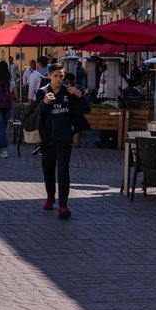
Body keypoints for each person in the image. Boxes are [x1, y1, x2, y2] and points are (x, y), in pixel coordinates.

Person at [32, 63, 90, 219]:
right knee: (48, 169)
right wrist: (44, 103)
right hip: (47, 139)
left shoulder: (69, 92)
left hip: (64, 138)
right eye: (56, 76)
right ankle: (50, 197)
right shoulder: (42, 92)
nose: (58, 79)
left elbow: (86, 109)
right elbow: (37, 115)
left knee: (63, 171)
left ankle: (63, 205)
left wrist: (79, 95)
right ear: (49, 75)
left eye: (61, 76)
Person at [0, 70, 15, 158]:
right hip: (8, 106)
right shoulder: (11, 80)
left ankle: (2, 149)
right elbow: (15, 94)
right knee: (4, 127)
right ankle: (0, 149)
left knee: (1, 128)